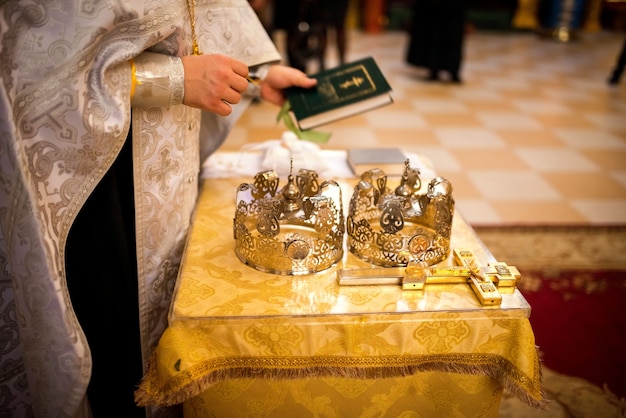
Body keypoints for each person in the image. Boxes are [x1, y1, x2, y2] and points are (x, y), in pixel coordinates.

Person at [0, 1, 316, 417]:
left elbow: (194, 13)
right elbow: (29, 65)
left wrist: (255, 75)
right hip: (89, 173)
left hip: (169, 158)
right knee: (112, 339)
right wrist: (171, 78)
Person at [406, 0, 468, 83]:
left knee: (452, 41)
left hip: (453, 12)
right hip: (435, 12)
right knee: (434, 39)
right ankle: (434, 69)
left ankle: (453, 71)